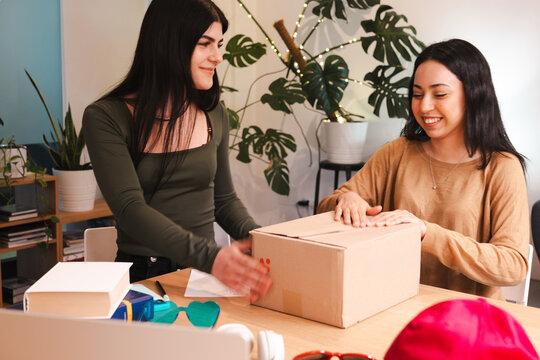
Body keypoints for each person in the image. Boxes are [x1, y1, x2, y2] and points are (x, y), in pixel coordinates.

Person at [82, 0, 270, 301]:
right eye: (204, 44)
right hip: (147, 280)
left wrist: (265, 241)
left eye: (218, 44)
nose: (218, 57)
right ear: (169, 44)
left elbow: (223, 200)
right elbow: (130, 210)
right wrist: (211, 257)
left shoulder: (214, 113)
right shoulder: (106, 117)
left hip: (207, 278)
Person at [317, 39, 529, 299]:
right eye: (417, 94)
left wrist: (427, 233)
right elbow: (326, 207)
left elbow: (513, 267)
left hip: (470, 320)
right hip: (392, 307)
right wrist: (346, 199)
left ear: (474, 95)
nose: (424, 106)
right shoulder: (397, 152)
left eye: (439, 94)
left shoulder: (501, 167)